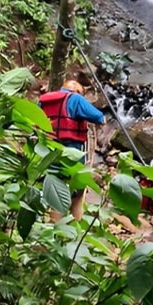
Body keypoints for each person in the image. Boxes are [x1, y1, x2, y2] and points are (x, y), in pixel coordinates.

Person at [39, 79, 105, 220]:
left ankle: (54, 227)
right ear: (77, 91)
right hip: (71, 154)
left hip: (49, 153)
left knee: (56, 192)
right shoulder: (75, 99)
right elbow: (98, 117)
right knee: (77, 195)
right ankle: (74, 228)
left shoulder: (46, 101)